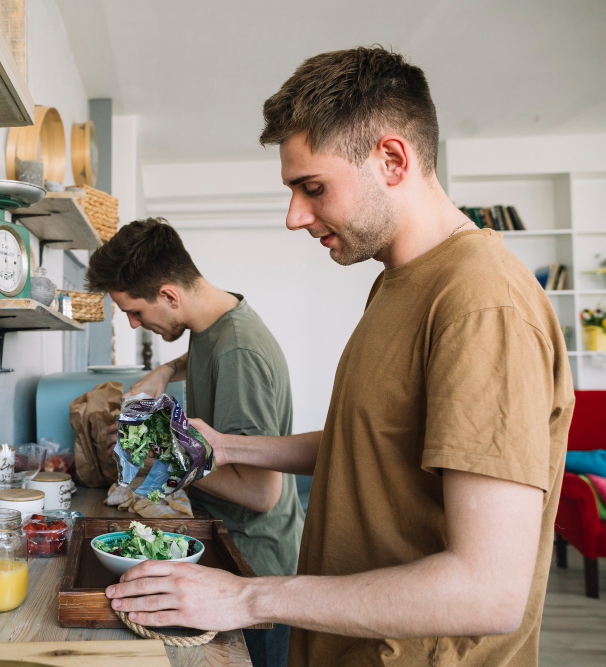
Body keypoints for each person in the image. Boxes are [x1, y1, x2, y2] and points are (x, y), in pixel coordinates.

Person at [104, 46, 574, 667]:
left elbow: (487, 591)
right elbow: (377, 446)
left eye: (313, 187)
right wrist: (229, 446)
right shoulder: (397, 282)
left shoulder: (483, 302)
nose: (295, 215)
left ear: (392, 159)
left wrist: (248, 599)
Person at [85, 218, 305, 667]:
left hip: (256, 565)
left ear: (169, 295)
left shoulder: (238, 351)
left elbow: (262, 493)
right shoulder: (214, 326)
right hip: (230, 552)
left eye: (135, 311)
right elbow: (201, 352)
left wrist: (155, 459)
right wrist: (165, 371)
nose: (131, 325)